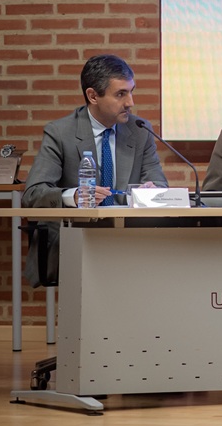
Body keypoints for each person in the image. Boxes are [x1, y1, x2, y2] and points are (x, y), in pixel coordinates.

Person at [23, 54, 168, 285]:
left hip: (131, 240)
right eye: (121, 94)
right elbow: (33, 194)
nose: (130, 102)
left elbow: (159, 184)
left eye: (131, 92)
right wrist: (74, 196)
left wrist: (151, 192)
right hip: (78, 240)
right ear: (93, 96)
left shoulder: (140, 130)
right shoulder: (60, 132)